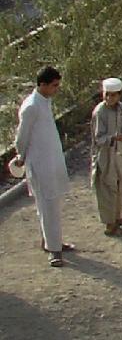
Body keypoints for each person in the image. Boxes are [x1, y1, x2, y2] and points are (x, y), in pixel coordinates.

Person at [12, 67, 71, 266]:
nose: (56, 89)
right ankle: (54, 250)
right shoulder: (31, 107)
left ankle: (51, 241)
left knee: (51, 205)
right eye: (54, 86)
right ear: (43, 85)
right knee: (47, 206)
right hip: (40, 164)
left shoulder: (45, 102)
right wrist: (20, 156)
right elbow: (22, 136)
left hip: (51, 161)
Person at [91, 77, 122, 237]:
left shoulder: (121, 108)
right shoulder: (100, 112)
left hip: (118, 152)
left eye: (113, 95)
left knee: (119, 185)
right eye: (107, 95)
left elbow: (121, 127)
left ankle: (117, 217)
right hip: (105, 154)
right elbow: (98, 138)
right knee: (107, 188)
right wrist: (114, 137)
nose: (109, 98)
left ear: (119, 95)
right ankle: (109, 225)